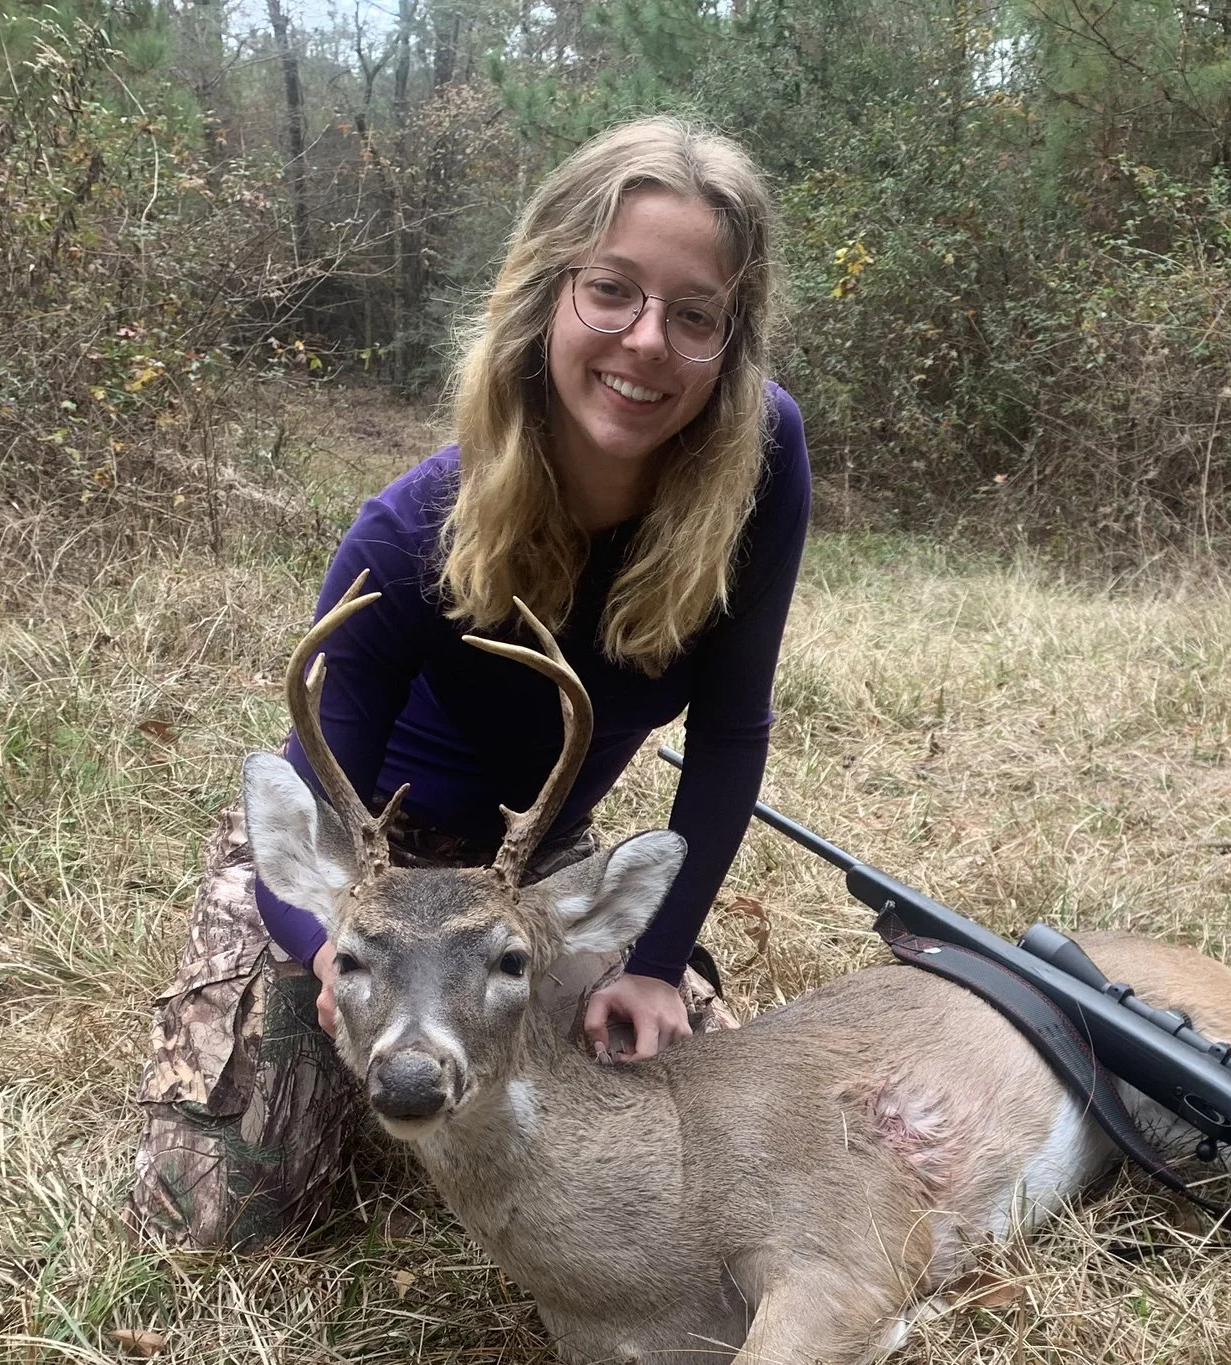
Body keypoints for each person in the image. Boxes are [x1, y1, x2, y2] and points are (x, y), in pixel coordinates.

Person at [131, 118, 811, 1249]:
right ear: (547, 294)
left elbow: (732, 735)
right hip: (367, 872)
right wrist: (339, 962)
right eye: (612, 291)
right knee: (214, 1216)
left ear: (728, 346)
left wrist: (651, 962)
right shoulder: (409, 529)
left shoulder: (761, 459)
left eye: (694, 314)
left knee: (713, 1144)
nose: (646, 342)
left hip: (520, 864)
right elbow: (310, 799)